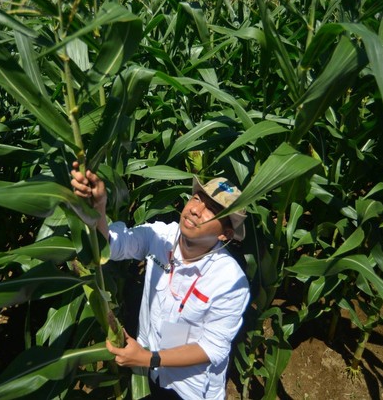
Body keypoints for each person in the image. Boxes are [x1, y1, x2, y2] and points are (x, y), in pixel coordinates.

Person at [71, 162, 250, 400]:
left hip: (188, 388)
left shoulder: (231, 281)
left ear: (225, 234)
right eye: (197, 198)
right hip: (150, 370)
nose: (196, 210)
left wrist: (148, 358)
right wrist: (99, 209)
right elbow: (113, 245)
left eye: (213, 210)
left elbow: (212, 348)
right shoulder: (160, 236)